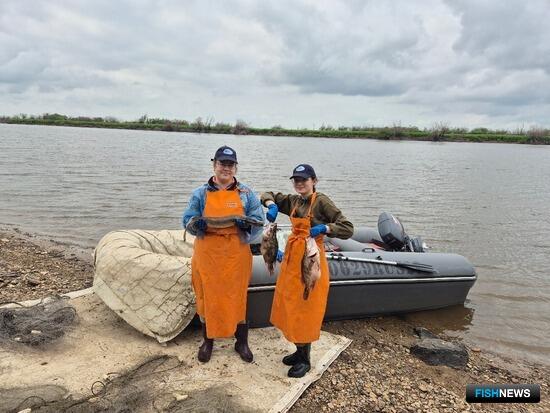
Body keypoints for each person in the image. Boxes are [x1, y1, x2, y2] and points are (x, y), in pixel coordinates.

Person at [261, 164, 353, 378]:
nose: (300, 183)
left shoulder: (321, 201)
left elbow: (347, 227)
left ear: (314, 181)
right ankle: (298, 350)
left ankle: (305, 359)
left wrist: (326, 228)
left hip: (311, 257)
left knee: (307, 307)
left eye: (304, 179)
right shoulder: (294, 200)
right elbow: (267, 194)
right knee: (291, 305)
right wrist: (271, 204)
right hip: (293, 257)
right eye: (296, 180)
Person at [182, 145, 264, 363]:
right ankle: (208, 341)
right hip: (207, 251)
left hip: (236, 253)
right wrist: (198, 226)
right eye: (222, 163)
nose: (226, 168)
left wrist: (244, 226)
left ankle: (241, 341)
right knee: (206, 295)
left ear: (235, 168)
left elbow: (259, 221)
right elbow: (187, 219)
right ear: (214, 165)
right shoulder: (200, 193)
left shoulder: (247, 194)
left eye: (230, 164)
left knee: (238, 296)